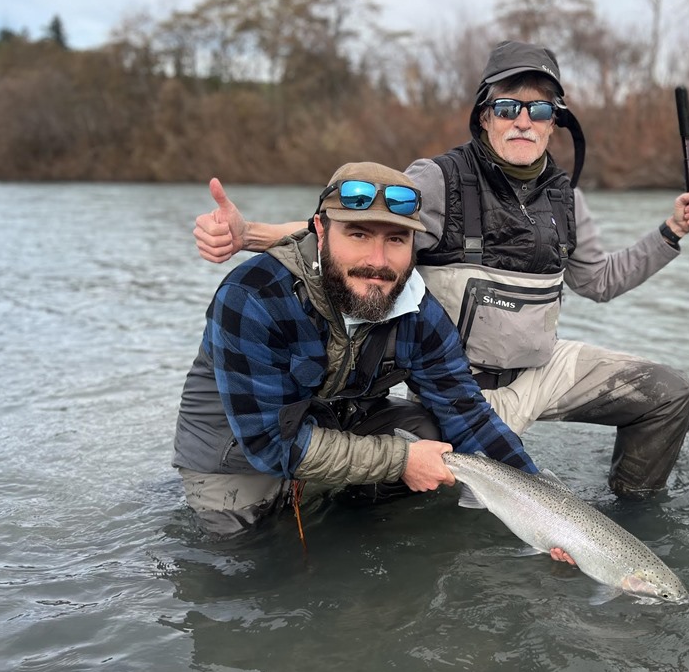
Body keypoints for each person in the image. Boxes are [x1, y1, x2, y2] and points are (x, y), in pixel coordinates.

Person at [192, 40, 689, 499]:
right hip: (461, 383)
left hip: (543, 366)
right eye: (508, 107)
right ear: (485, 116)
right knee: (431, 476)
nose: (524, 121)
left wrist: (670, 232)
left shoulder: (568, 199)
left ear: (557, 121)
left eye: (540, 109)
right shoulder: (435, 180)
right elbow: (365, 228)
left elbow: (599, 281)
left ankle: (631, 515)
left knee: (667, 394)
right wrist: (250, 236)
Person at [173, 160, 559, 542]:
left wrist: (547, 508)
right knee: (245, 555)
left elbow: (468, 416)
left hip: (329, 428)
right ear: (320, 231)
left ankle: (354, 527)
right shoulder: (254, 296)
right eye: (358, 235)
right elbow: (272, 445)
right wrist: (403, 460)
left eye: (395, 239)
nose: (378, 261)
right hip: (240, 452)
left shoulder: (419, 312)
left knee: (430, 431)